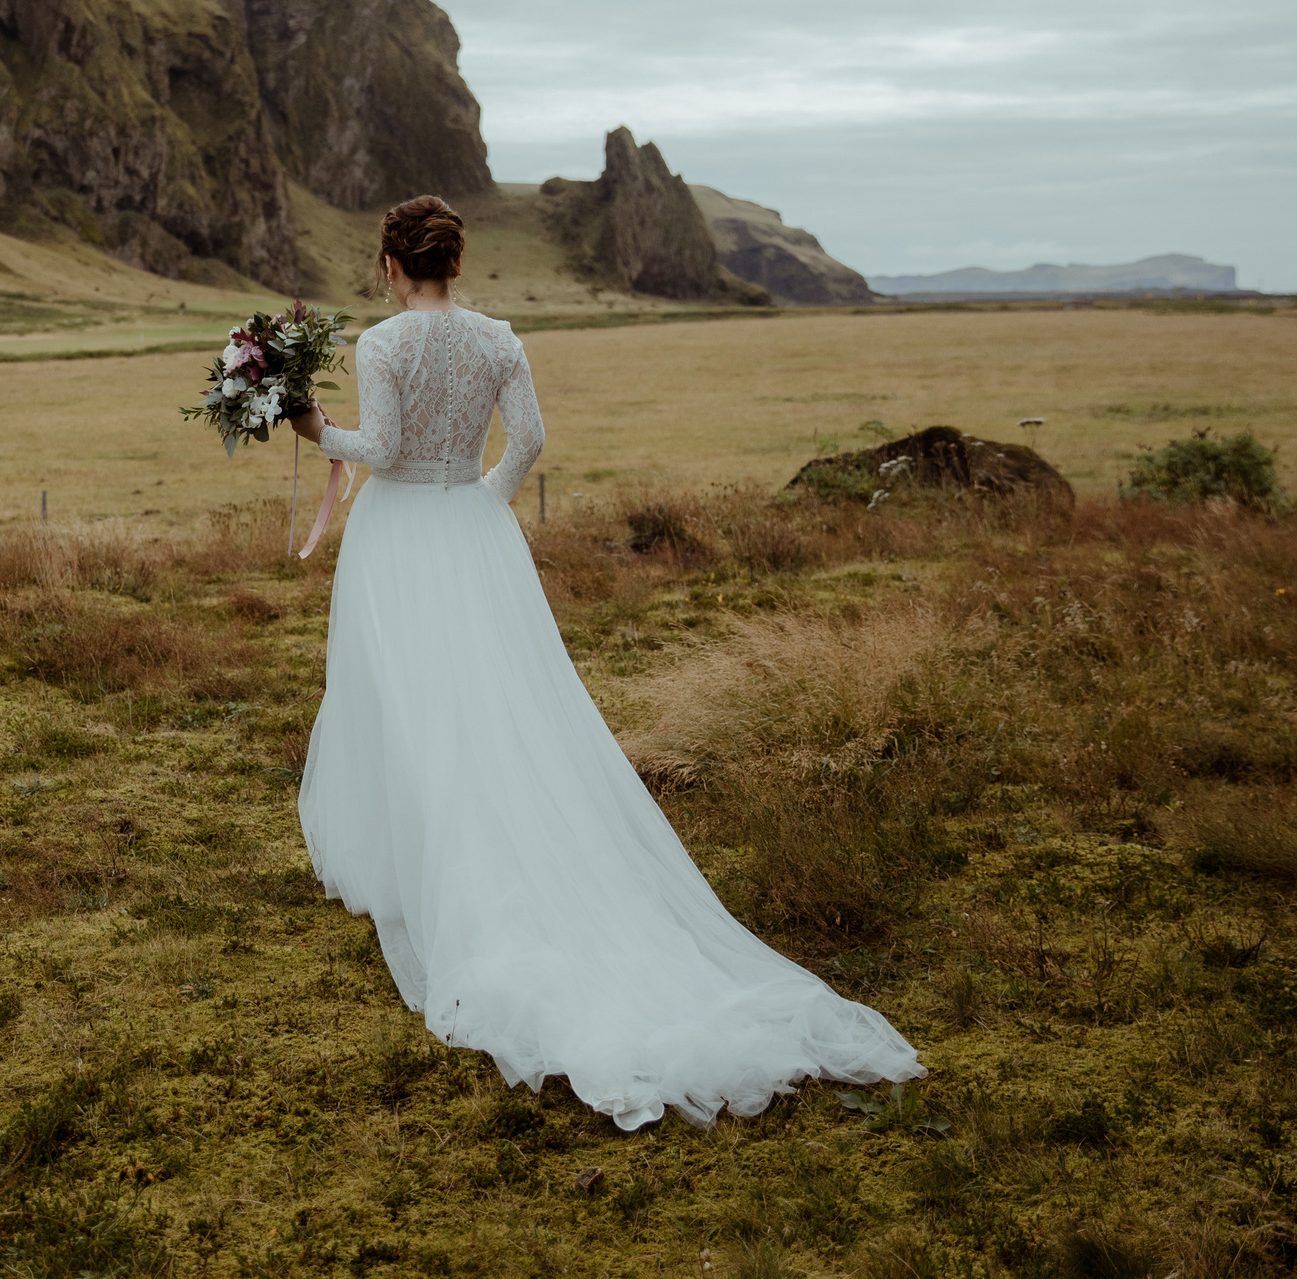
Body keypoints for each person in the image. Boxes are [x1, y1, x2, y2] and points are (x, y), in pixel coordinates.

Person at [286, 194, 921, 1129]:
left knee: (406, 696)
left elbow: (378, 448)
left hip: (398, 537)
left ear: (390, 265)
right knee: (496, 699)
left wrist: (313, 430)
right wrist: (484, 503)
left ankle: (425, 865)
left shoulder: (381, 346)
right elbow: (531, 440)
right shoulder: (498, 339)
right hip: (472, 533)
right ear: (453, 263)